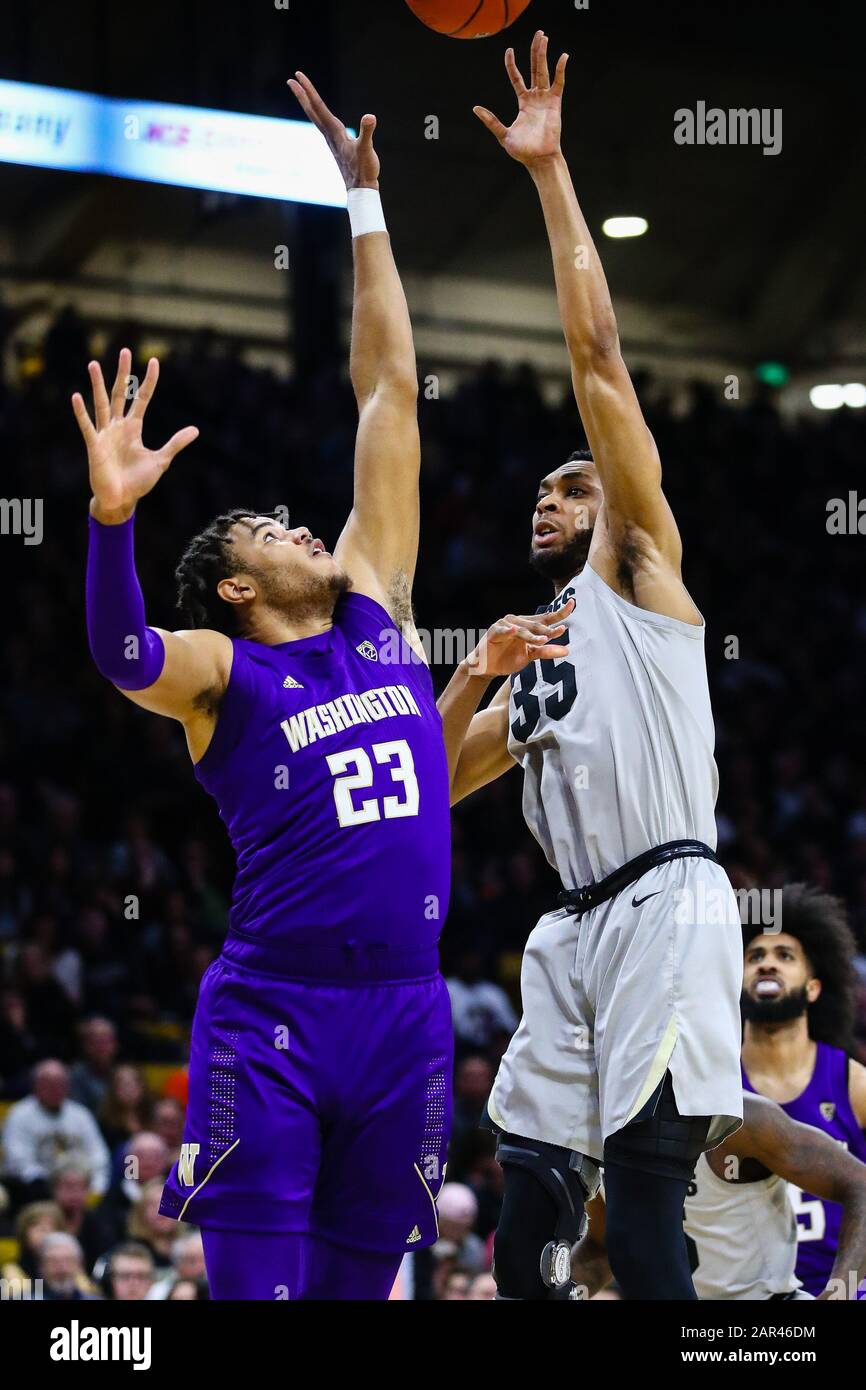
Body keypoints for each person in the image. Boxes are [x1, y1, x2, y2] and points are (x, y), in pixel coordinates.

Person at [74, 70, 551, 1303]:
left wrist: (365, 207)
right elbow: (123, 657)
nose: (296, 525)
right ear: (232, 586)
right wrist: (111, 522)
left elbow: (388, 388)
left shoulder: (377, 606)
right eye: (267, 530)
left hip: (406, 1017)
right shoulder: (223, 671)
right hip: (270, 1020)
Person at [437, 32, 743, 1299]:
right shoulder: (539, 650)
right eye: (540, 495)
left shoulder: (635, 571)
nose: (544, 504)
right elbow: (436, 784)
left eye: (568, 487)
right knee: (526, 1208)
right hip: (566, 927)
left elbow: (599, 361)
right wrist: (467, 687)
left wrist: (550, 175)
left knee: (651, 1192)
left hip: (665, 897)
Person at [571, 1091, 866, 1300]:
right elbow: (603, 1248)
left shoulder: (742, 1119)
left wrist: (837, 1293)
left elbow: (860, 1185)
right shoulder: (599, 1131)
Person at [741, 884, 866, 1295]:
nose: (767, 965)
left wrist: (844, 1290)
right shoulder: (710, 1084)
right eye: (755, 956)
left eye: (785, 956)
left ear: (813, 987)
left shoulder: (854, 1085)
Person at [1, 1059, 111, 1200]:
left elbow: (98, 1156)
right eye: (48, 1084)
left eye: (60, 1084)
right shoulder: (19, 1114)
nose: (55, 1089)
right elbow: (18, 1162)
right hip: (34, 1190)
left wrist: (96, 1185)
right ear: (35, 1085)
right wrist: (54, 1185)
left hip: (79, 1185)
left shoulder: (80, 1114)